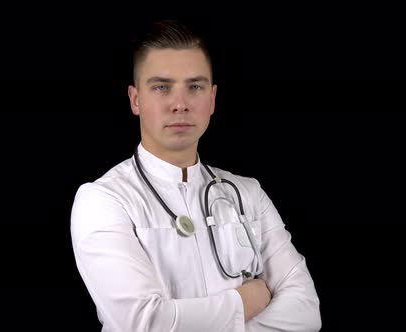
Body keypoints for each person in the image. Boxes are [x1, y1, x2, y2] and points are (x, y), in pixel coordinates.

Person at [70, 19, 321, 331]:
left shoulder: (247, 194)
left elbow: (307, 311)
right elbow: (143, 323)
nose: (180, 104)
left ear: (212, 99)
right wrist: (245, 302)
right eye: (161, 87)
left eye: (195, 87)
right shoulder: (104, 201)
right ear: (136, 100)